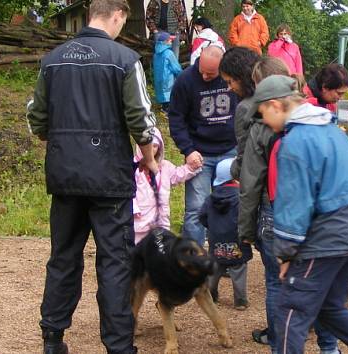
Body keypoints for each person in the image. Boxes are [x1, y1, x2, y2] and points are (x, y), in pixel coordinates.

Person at [26, 1, 158, 353]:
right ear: (117, 15)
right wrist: (150, 159)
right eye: (122, 23)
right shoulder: (124, 59)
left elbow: (37, 118)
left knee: (63, 257)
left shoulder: (51, 61)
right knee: (115, 262)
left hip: (66, 175)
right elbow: (140, 119)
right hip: (109, 179)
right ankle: (118, 346)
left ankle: (52, 339)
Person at [255, 74, 348, 354]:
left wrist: (286, 253)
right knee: (327, 306)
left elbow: (294, 205)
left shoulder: (295, 143)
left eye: (263, 112)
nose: (264, 121)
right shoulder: (333, 132)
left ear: (277, 105)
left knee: (291, 309)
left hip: (326, 237)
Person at [241, 57, 340, 354]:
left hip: (277, 211)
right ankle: (328, 347)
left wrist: (245, 230)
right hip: (316, 211)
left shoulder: (260, 126)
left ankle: (280, 346)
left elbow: (250, 183)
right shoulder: (317, 115)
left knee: (277, 284)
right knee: (316, 284)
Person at [168, 45, 238, 247]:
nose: (205, 76)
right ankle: (193, 259)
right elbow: (176, 119)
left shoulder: (232, 79)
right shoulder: (186, 80)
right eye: (202, 71)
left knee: (229, 206)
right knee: (196, 209)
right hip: (199, 154)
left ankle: (226, 257)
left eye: (211, 73)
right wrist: (188, 150)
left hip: (230, 151)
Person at [199, 158, 252, 310]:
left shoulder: (210, 198)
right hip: (237, 241)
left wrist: (212, 227)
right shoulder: (241, 197)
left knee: (215, 268)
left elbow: (202, 215)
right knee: (238, 269)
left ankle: (211, 295)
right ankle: (240, 300)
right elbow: (246, 217)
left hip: (216, 241)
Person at [133, 127, 199, 244]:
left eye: (155, 146)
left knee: (159, 251)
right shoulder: (134, 168)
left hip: (160, 221)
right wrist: (134, 208)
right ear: (140, 146)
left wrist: (191, 168)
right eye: (148, 146)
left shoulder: (165, 167)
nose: (151, 150)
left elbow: (177, 175)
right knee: (138, 251)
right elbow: (128, 191)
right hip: (138, 221)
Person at [218, 47, 261, 180]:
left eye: (230, 81)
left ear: (241, 77)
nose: (229, 88)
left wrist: (232, 170)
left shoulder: (245, 108)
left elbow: (246, 157)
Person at [153, 31, 183, 113]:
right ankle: (168, 110)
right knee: (169, 95)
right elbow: (176, 68)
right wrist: (182, 77)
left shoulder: (156, 54)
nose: (171, 42)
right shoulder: (169, 53)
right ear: (165, 42)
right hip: (167, 81)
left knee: (162, 95)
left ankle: (163, 107)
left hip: (159, 80)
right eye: (170, 40)